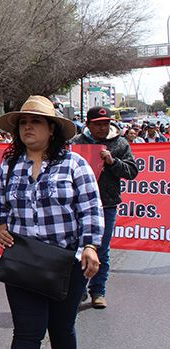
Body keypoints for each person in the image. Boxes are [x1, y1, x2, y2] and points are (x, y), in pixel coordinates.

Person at [0, 95, 103, 349]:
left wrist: (90, 246)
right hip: (22, 263)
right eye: (23, 123)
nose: (27, 127)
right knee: (27, 332)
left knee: (62, 328)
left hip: (66, 263)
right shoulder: (11, 166)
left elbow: (90, 208)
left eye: (35, 122)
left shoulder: (74, 164)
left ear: (52, 129)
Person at [70, 106, 138, 309]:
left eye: (106, 123)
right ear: (88, 125)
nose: (102, 127)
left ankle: (98, 292)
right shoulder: (76, 143)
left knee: (102, 250)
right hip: (77, 205)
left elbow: (132, 171)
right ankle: (78, 289)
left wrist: (112, 161)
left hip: (106, 205)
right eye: (98, 124)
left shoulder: (120, 143)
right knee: (76, 248)